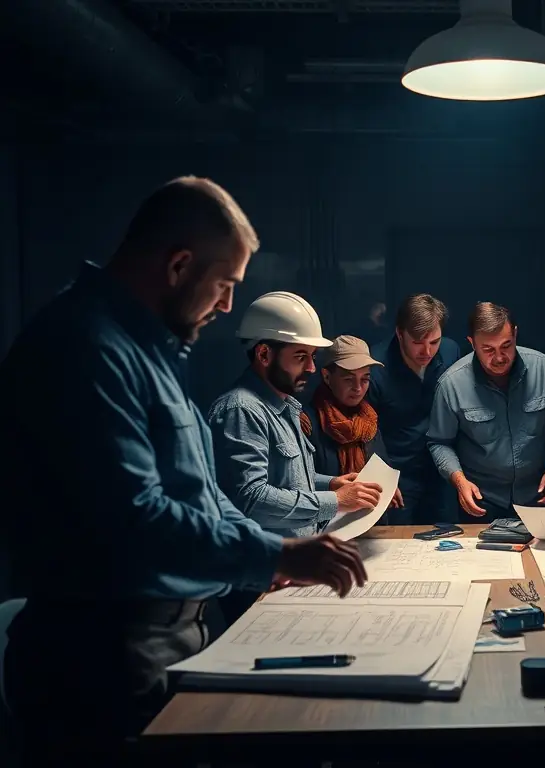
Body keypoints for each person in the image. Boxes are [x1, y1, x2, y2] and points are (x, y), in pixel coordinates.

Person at [0, 177, 367, 758]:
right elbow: (133, 517)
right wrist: (271, 552)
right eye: (223, 285)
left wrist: (261, 556)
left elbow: (205, 493)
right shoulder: (84, 348)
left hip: (162, 644)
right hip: (101, 663)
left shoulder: (151, 349)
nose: (226, 306)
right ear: (177, 266)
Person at [208, 292, 382, 625]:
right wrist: (333, 500)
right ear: (263, 353)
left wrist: (331, 482)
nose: (312, 368)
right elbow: (251, 498)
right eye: (301, 356)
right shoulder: (241, 410)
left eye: (313, 357)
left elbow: (288, 478)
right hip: (262, 582)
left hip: (293, 573)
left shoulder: (284, 404)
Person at [428, 302, 545, 522]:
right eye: (488, 349)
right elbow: (439, 442)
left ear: (516, 334)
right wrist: (459, 481)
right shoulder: (451, 384)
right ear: (472, 344)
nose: (500, 357)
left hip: (537, 497)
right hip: (482, 501)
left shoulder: (544, 369)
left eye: (506, 346)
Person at [368, 293, 462, 524]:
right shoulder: (375, 366)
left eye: (434, 342)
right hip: (398, 474)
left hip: (441, 471)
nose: (427, 352)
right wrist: (384, 478)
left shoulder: (450, 351)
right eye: (418, 343)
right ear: (400, 334)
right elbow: (366, 431)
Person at [300, 334, 403, 515]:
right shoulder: (307, 422)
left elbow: (381, 463)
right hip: (325, 526)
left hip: (369, 520)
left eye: (365, 379)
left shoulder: (369, 418)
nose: (358, 388)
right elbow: (296, 483)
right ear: (326, 376)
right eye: (348, 379)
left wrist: (387, 485)